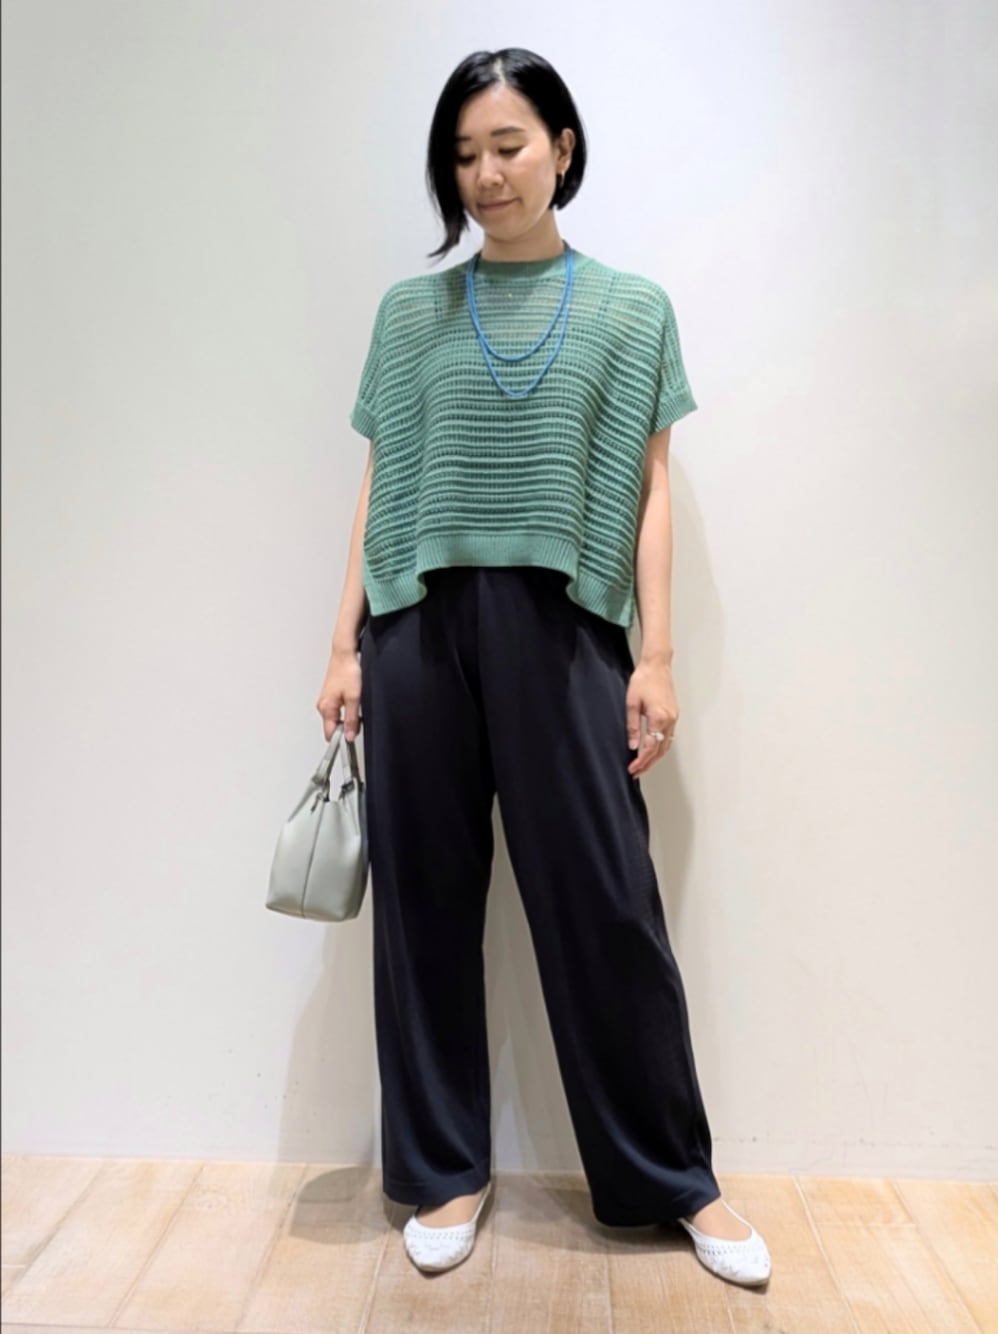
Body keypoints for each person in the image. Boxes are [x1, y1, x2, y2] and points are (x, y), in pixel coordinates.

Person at [316, 47, 772, 1287]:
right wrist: (343, 641)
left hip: (565, 629)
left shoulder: (630, 310)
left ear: (562, 148)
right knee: (422, 905)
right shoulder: (408, 314)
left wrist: (656, 655)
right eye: (463, 155)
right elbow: (380, 484)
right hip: (417, 629)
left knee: (605, 902)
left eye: (507, 145)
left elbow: (649, 487)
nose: (486, 174)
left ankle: (673, 1177)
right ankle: (444, 1168)